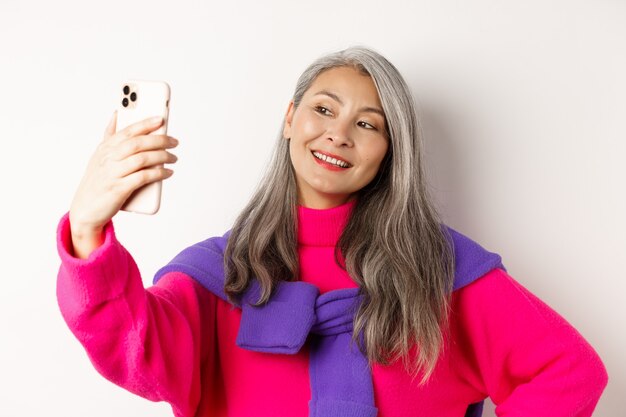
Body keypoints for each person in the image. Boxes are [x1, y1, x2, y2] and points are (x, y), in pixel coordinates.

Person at [56, 46, 608, 417]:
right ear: (290, 117)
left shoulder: (442, 268)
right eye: (323, 109)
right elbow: (136, 353)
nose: (338, 134)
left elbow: (570, 371)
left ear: (390, 151)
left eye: (367, 124)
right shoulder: (217, 275)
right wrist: (87, 226)